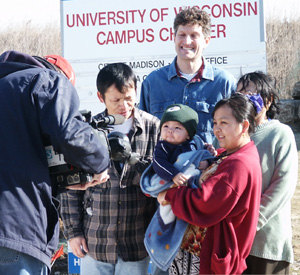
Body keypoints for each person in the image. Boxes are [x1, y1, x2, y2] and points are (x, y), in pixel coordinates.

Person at [0, 50, 110, 275]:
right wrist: (100, 163)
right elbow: (70, 134)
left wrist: (59, 183)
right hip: (15, 234)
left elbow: (16, 156)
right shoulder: (48, 80)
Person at [58, 62, 161, 275]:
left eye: (129, 98)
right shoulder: (86, 131)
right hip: (95, 242)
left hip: (137, 242)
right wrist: (73, 232)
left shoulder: (154, 128)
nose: (124, 105)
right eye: (116, 100)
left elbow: (162, 180)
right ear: (100, 97)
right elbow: (71, 186)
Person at [157, 93, 262, 274]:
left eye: (224, 123)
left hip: (204, 256)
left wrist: (169, 195)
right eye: (214, 123)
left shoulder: (239, 163)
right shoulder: (228, 154)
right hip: (193, 251)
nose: (216, 129)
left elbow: (205, 202)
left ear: (244, 125)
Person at [139, 7, 236, 144]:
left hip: (210, 164)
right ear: (174, 38)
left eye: (194, 35)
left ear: (206, 41)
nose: (187, 41)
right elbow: (143, 133)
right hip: (163, 164)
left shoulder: (224, 83)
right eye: (182, 34)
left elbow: (235, 134)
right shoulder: (152, 82)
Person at [237, 71, 298, 274]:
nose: (244, 99)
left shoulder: (280, 133)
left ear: (268, 100)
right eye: (240, 94)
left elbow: (283, 185)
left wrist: (253, 221)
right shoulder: (233, 135)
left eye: (250, 93)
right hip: (236, 242)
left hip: (267, 243)